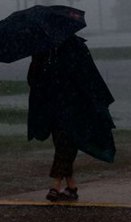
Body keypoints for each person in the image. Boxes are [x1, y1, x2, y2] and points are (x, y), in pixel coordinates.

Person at [27, 34, 115, 201]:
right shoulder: (44, 51)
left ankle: (55, 186)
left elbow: (86, 76)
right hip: (55, 107)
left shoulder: (73, 47)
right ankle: (71, 187)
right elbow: (33, 79)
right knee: (64, 145)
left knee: (64, 144)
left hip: (73, 106)